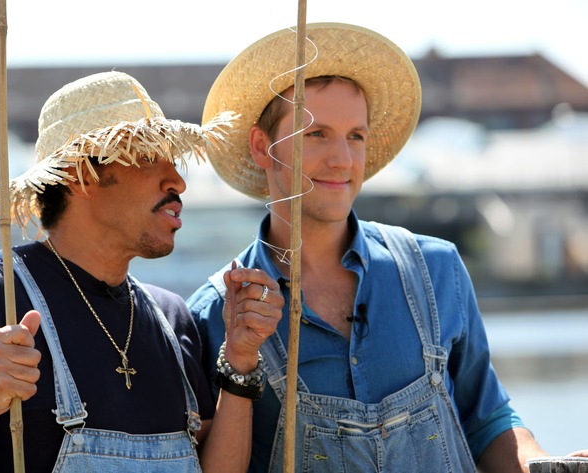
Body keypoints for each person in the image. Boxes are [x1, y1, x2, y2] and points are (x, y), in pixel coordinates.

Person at [0, 71, 283, 472]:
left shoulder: (171, 316)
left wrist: (240, 360)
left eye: (174, 161)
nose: (178, 181)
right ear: (82, 175)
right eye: (146, 157)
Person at [187, 23, 549, 472]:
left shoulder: (437, 269)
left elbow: (488, 421)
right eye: (316, 134)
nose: (342, 158)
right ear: (263, 147)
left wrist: (537, 463)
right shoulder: (210, 317)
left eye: (355, 135)